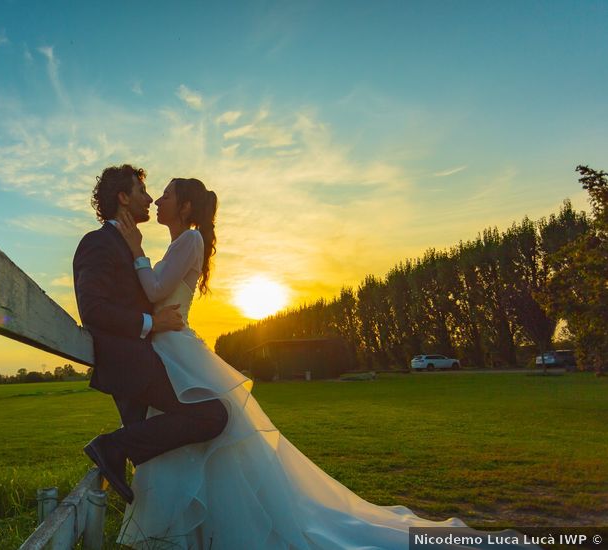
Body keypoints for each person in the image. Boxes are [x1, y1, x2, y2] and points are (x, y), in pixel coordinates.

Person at [111, 177, 542, 549]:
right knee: (191, 435)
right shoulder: (178, 244)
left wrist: (134, 250)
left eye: (166, 194)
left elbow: (152, 291)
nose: (158, 200)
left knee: (208, 429)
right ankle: (191, 528)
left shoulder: (189, 239)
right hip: (168, 349)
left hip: (176, 351)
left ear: (184, 206)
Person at [72, 164, 228, 504]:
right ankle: (111, 447)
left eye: (159, 194)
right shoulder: (98, 242)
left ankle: (156, 522)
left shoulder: (128, 244)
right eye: (143, 192)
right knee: (212, 414)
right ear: (123, 198)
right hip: (128, 362)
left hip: (145, 357)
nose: (151, 199)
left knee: (166, 447)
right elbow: (93, 310)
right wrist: (151, 324)